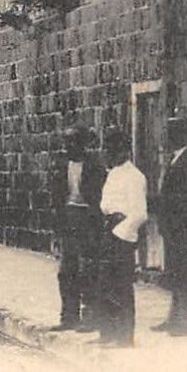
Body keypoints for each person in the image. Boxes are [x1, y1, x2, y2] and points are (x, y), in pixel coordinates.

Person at [51, 124, 107, 332]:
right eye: (67, 143)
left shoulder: (95, 166)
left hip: (89, 220)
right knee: (67, 271)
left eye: (74, 142)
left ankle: (90, 316)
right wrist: (58, 226)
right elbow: (56, 196)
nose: (69, 147)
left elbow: (100, 197)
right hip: (68, 219)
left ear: (83, 144)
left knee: (88, 270)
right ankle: (68, 316)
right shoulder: (61, 165)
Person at [96, 128, 147, 347]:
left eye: (112, 148)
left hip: (122, 236)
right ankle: (108, 334)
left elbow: (139, 214)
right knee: (105, 284)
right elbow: (106, 204)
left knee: (122, 286)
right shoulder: (113, 173)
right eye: (106, 148)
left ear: (123, 150)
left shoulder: (134, 177)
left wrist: (120, 234)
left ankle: (125, 337)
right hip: (109, 231)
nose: (108, 152)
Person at [155, 115, 187, 335]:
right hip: (172, 226)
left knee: (185, 273)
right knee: (176, 271)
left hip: (182, 226)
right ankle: (174, 318)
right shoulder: (176, 159)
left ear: (182, 134)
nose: (166, 137)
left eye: (170, 132)